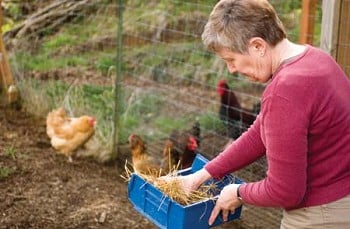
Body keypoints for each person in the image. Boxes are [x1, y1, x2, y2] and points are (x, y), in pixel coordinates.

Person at [161, 0, 350, 228]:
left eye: (231, 59)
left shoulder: (284, 90)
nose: (231, 69)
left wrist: (238, 192)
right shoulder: (317, 59)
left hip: (322, 215)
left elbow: (286, 191)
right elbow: (259, 133)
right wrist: (201, 176)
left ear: (258, 46)